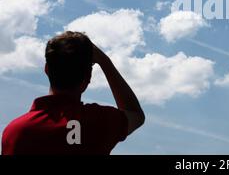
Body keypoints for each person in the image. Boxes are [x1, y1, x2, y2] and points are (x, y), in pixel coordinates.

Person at [1, 31, 145, 155]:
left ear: (47, 70)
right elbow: (135, 114)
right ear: (88, 77)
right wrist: (105, 62)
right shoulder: (98, 121)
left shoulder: (14, 132)